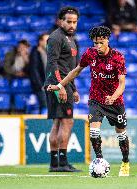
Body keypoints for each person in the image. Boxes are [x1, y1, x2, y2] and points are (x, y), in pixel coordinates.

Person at [47, 26, 130, 176]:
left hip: (115, 102)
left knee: (121, 133)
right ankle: (99, 160)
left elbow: (122, 83)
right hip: (96, 99)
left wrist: (113, 97)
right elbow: (76, 71)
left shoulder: (118, 57)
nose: (97, 46)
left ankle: (125, 162)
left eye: (101, 42)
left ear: (107, 40)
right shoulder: (90, 54)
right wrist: (60, 85)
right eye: (95, 43)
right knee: (93, 131)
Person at [44, 7, 81, 172]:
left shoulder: (71, 38)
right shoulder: (55, 38)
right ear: (60, 21)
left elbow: (70, 68)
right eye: (69, 21)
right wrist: (60, 86)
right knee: (66, 122)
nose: (72, 25)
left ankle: (55, 163)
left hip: (64, 85)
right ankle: (62, 163)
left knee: (58, 122)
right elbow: (53, 64)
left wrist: (73, 88)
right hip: (57, 84)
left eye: (75, 22)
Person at [29, 33, 49, 113]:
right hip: (41, 86)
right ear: (40, 42)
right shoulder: (35, 52)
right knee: (45, 105)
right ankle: (43, 123)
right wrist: (40, 85)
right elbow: (34, 71)